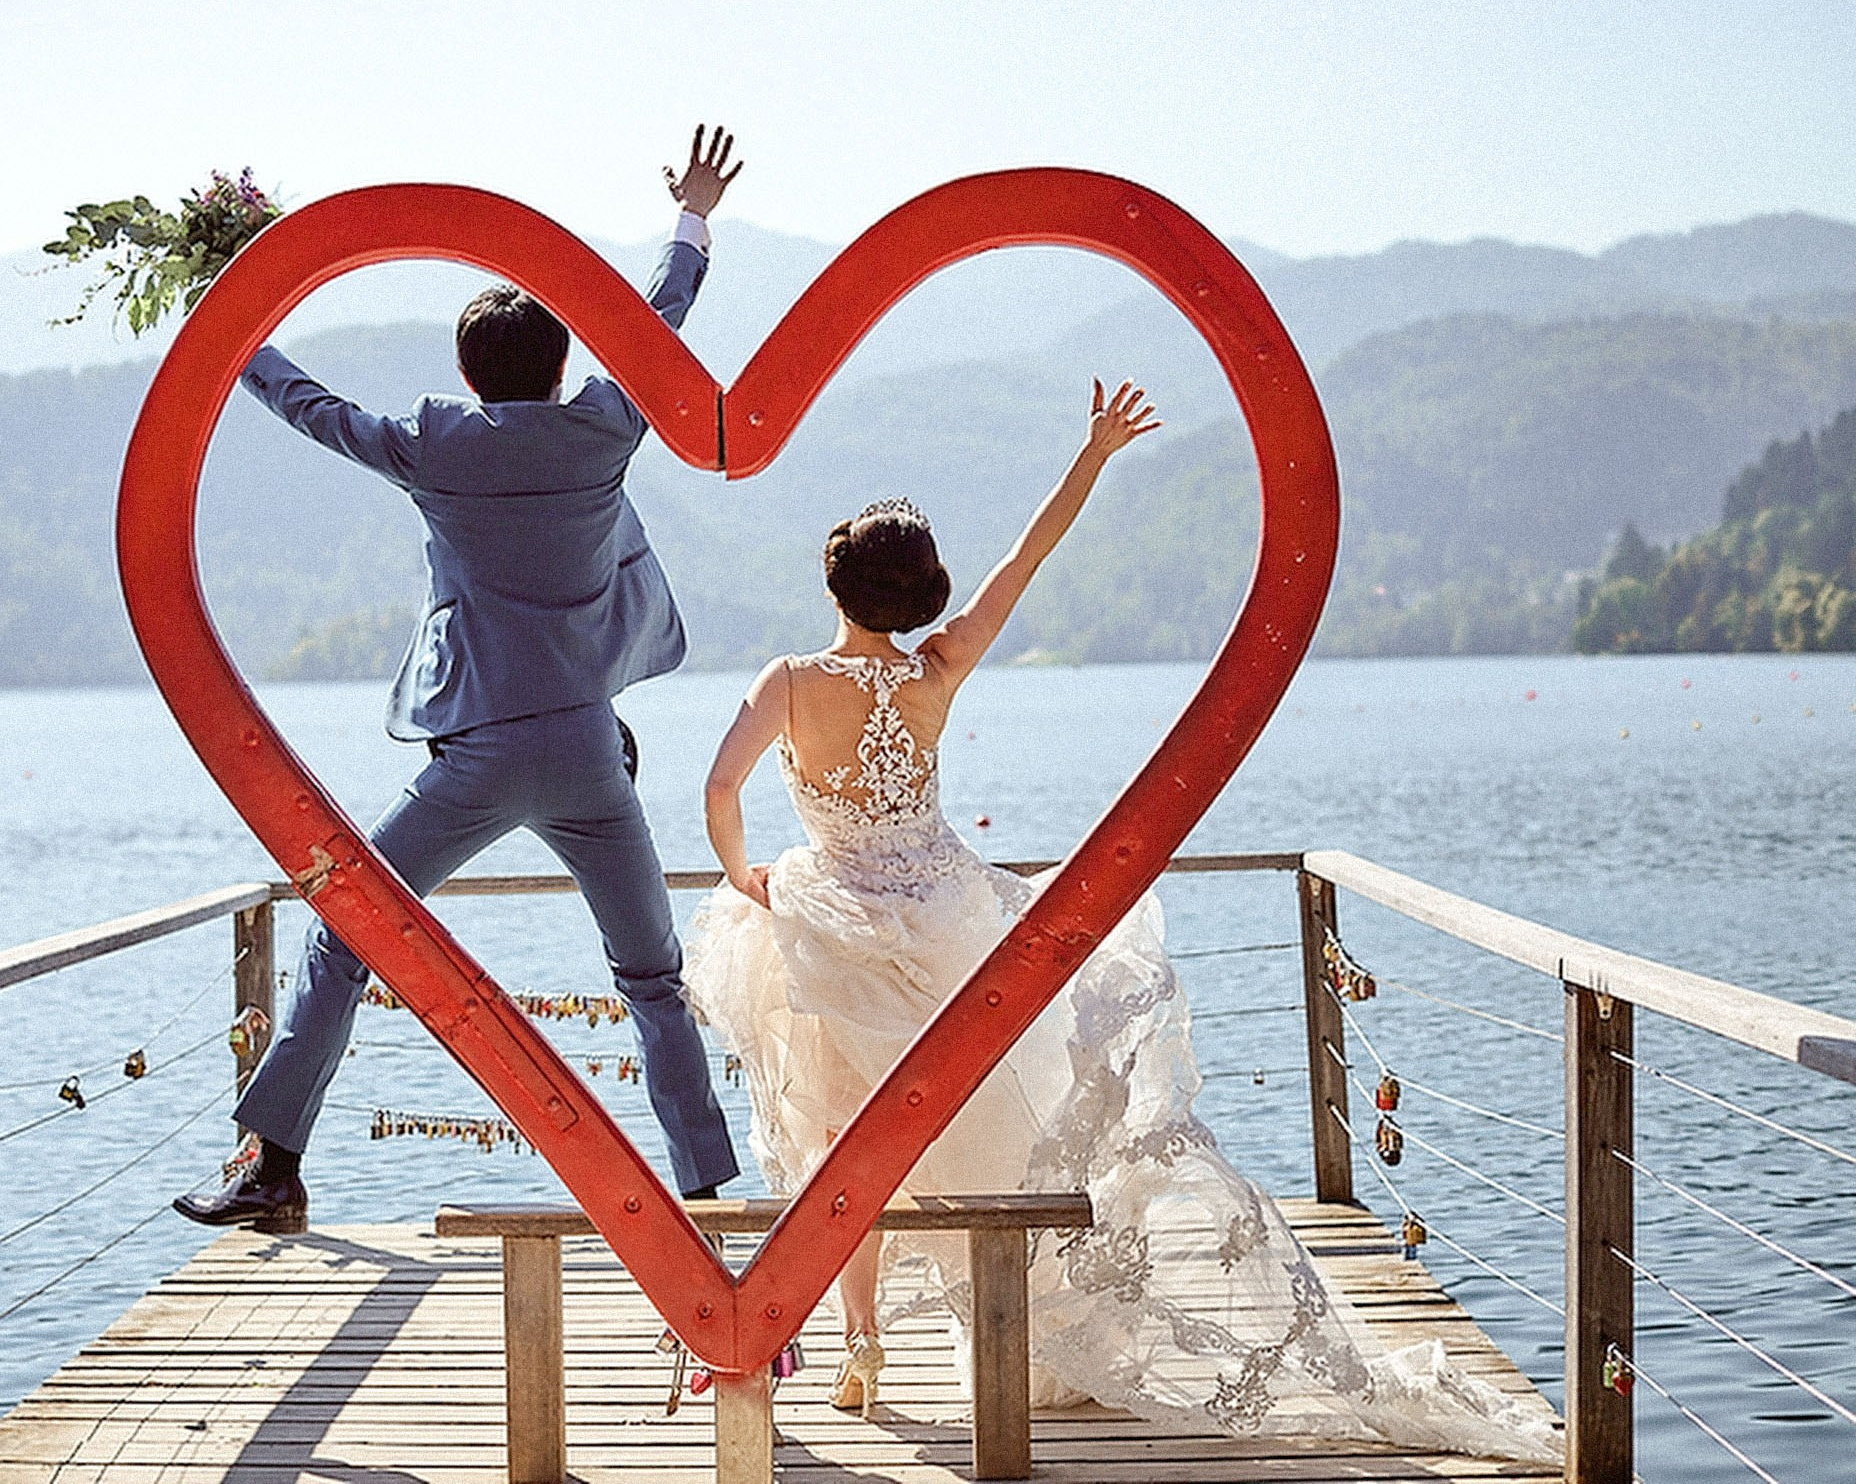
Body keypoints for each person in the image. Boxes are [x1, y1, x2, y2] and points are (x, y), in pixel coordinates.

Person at [682, 383, 1559, 1461]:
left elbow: (719, 790)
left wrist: (750, 876)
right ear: (915, 594)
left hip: (837, 926)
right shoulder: (941, 666)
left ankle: (862, 1343)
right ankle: (1001, 1327)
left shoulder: (789, 682)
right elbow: (1027, 560)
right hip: (949, 920)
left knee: (840, 1143)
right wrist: (1092, 454)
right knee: (971, 1133)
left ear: (834, 579)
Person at [175, 127, 748, 1231]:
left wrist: (229, 313)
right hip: (589, 754)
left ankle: (274, 1162)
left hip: (479, 756)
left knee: (348, 933)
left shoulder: (436, 447)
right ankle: (710, 1200)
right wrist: (693, 216)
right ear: (560, 365)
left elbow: (311, 407)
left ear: (468, 377)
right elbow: (657, 324)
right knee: (653, 984)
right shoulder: (604, 426)